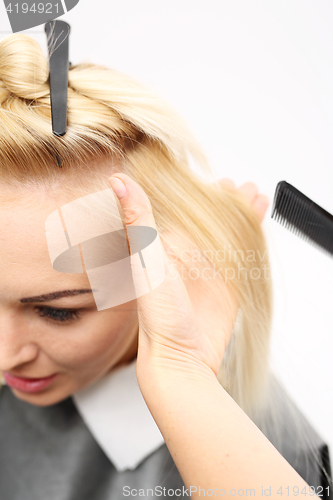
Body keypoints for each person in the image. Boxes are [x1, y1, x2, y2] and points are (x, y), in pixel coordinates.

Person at [0, 33, 331, 500]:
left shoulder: (277, 460)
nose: (5, 355)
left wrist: (180, 376)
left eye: (58, 312)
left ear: (155, 267)